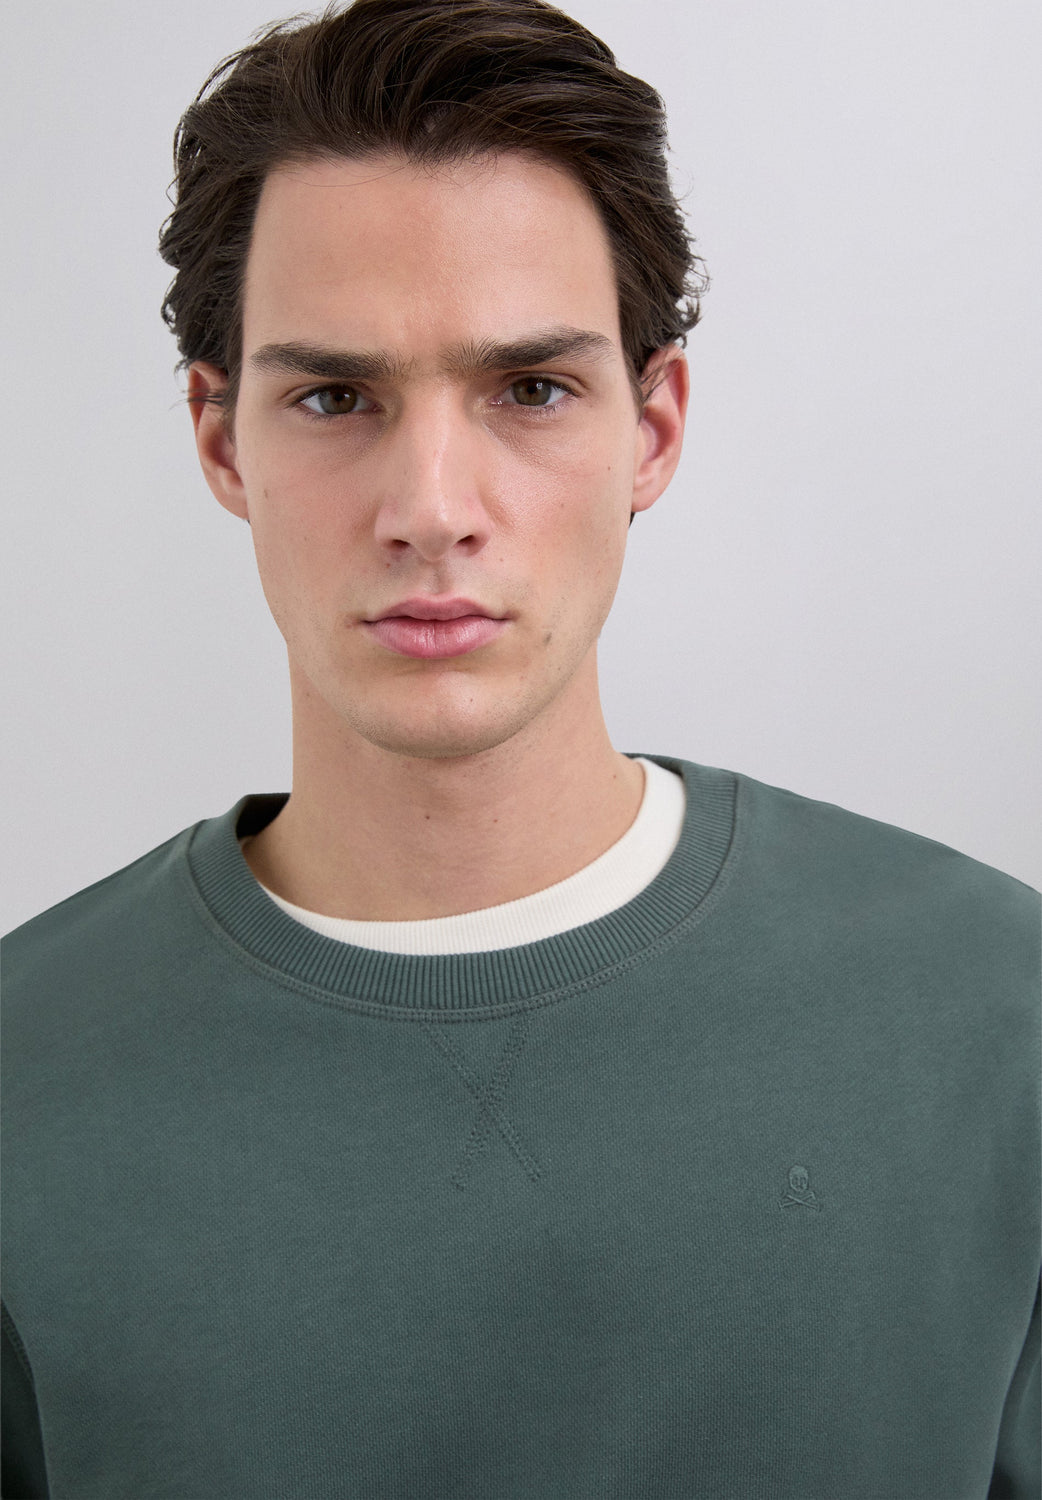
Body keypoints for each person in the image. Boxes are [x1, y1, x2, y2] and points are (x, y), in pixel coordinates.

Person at [2, 0, 1038, 1495]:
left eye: (530, 390)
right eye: (334, 397)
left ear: (653, 429)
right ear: (222, 440)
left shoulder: (998, 1018)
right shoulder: (23, 1077)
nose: (432, 507)